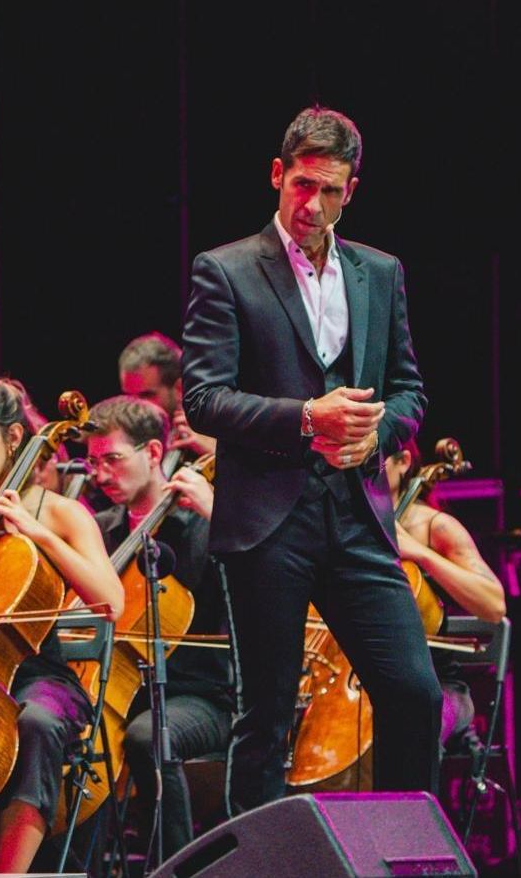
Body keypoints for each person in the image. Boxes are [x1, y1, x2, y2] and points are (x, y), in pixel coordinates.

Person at [182, 105, 441, 813]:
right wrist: (305, 418)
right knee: (264, 716)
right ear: (277, 174)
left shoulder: (379, 272)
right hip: (269, 521)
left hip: (356, 514)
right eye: (301, 185)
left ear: (350, 191)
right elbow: (202, 401)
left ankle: (404, 854)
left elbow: (409, 389)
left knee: (414, 692)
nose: (312, 204)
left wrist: (377, 433)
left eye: (329, 190)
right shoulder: (227, 270)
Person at [0, 374, 124, 873]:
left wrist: (40, 535)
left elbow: (111, 603)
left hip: (36, 672)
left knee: (34, 723)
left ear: (14, 438)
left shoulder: (58, 513)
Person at [84, 395, 231, 860]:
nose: (100, 474)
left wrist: (217, 513)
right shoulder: (101, 530)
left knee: (149, 736)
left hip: (201, 695)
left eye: (112, 459)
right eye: (92, 462)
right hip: (120, 692)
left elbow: (258, 582)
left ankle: (179, 866)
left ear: (152, 453)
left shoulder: (201, 527)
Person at [383, 439, 506, 749]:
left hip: (438, 684)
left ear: (403, 462)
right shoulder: (350, 525)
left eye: (375, 459)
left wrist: (421, 554)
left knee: (415, 722)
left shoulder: (434, 527)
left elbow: (493, 604)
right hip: (367, 684)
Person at [118, 332, 216, 471]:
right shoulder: (128, 437)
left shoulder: (215, 428)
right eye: (130, 397)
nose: (135, 408)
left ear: (179, 389)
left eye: (146, 395)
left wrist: (215, 453)